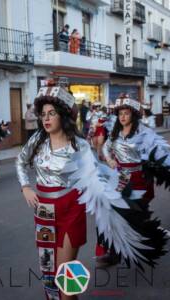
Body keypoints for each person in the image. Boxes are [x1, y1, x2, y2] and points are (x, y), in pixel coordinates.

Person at [16, 86, 167, 300]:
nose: (46, 119)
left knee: (64, 274)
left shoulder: (79, 145)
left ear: (63, 115)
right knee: (48, 269)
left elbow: (97, 177)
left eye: (52, 113)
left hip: (71, 209)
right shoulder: (37, 140)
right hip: (44, 211)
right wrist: (25, 186)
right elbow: (20, 161)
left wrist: (118, 193)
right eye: (43, 114)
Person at [98, 93, 170, 264]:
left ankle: (150, 238)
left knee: (137, 213)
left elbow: (159, 152)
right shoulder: (115, 133)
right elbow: (107, 147)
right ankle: (113, 251)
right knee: (111, 212)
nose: (122, 117)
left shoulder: (144, 133)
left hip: (139, 179)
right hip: (120, 178)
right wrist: (109, 160)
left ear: (133, 115)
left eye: (126, 113)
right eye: (120, 114)